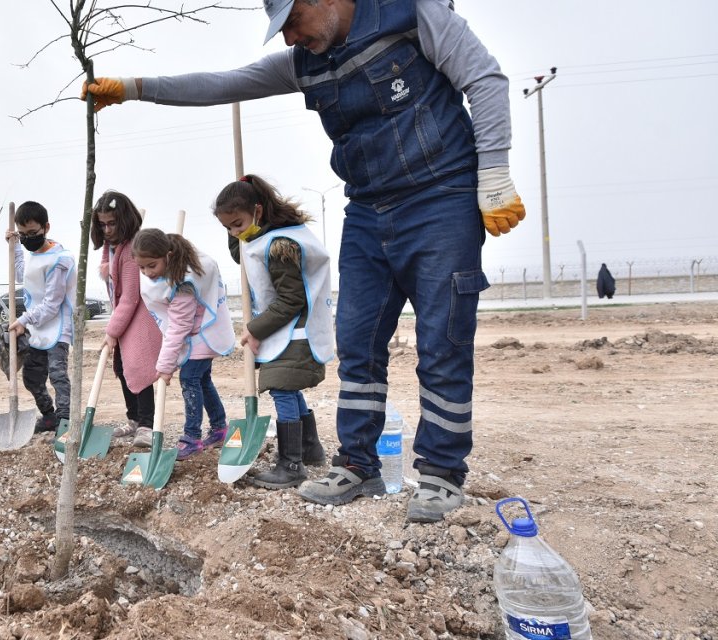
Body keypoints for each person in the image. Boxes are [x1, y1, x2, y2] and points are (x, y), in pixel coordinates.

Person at [82, 0, 529, 522]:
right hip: (368, 208)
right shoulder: (304, 60)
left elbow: (485, 79)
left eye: (292, 22)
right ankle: (357, 463)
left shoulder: (410, 14)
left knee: (442, 341)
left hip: (441, 198)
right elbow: (222, 84)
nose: (290, 38)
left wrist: (493, 170)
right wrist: (135, 88)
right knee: (357, 341)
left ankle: (441, 473)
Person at [213, 176, 333, 487]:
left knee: (281, 388)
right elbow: (244, 254)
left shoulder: (282, 245)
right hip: (288, 330)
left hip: (297, 331)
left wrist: (254, 328)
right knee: (288, 387)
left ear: (259, 210)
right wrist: (238, 232)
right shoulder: (261, 238)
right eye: (228, 228)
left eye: (238, 224)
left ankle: (291, 466)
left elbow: (292, 298)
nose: (235, 233)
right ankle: (310, 449)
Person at [131, 228, 236, 459]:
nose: (147, 272)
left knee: (189, 379)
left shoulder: (184, 284)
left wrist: (165, 367)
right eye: (141, 267)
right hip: (196, 334)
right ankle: (219, 428)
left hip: (203, 334)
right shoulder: (172, 268)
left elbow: (179, 328)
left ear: (168, 256)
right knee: (203, 380)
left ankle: (192, 438)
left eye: (152, 265)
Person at [93, 190, 162, 448]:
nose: (108, 230)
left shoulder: (133, 248)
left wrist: (111, 332)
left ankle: (147, 423)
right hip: (123, 315)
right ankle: (133, 418)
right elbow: (108, 264)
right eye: (102, 225)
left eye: (112, 224)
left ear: (124, 220)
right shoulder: (113, 246)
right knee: (122, 368)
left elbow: (131, 297)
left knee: (139, 368)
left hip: (139, 316)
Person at [6, 201, 76, 434]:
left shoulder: (60, 259)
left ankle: (65, 419)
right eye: (23, 234)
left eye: (33, 233)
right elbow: (20, 272)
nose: (28, 239)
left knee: (57, 374)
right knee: (32, 377)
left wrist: (24, 321)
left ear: (46, 227)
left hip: (56, 325)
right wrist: (14, 245)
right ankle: (48, 416)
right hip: (37, 326)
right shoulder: (32, 253)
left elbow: (51, 305)